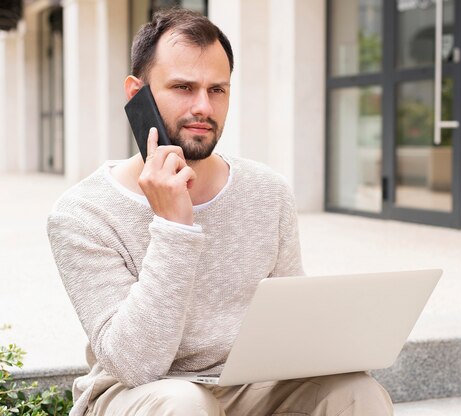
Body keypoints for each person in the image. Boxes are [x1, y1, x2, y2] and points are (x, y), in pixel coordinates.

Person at [47, 8, 393, 416]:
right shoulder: (82, 213)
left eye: (217, 90)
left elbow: (291, 325)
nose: (203, 107)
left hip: (245, 384)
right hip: (141, 394)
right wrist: (173, 226)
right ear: (136, 94)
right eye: (182, 87)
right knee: (185, 404)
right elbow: (134, 364)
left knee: (357, 392)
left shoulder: (267, 191)